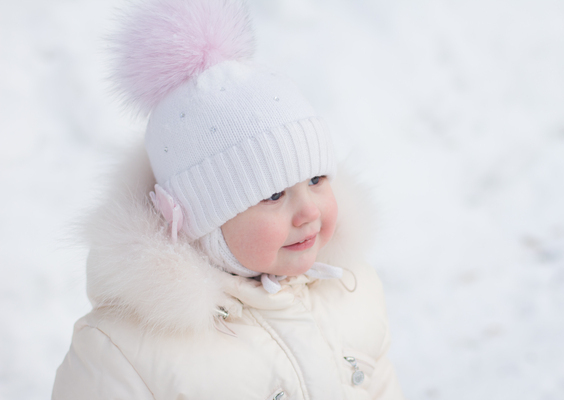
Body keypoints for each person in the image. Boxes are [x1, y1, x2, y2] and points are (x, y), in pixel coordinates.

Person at [52, 0, 404, 398]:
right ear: (202, 219)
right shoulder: (124, 357)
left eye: (317, 179)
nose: (309, 211)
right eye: (273, 195)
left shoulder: (352, 290)